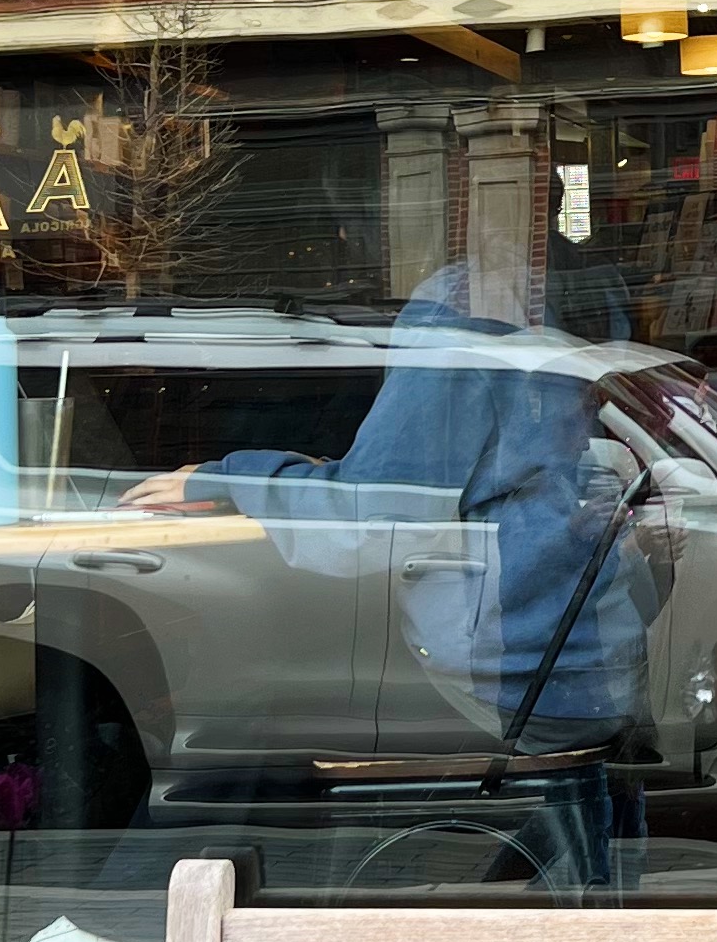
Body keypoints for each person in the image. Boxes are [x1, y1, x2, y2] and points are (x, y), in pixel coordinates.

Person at [124, 252, 658, 904]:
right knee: (586, 853)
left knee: (255, 758)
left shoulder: (458, 322)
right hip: (590, 661)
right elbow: (420, 485)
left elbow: (372, 515)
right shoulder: (567, 320)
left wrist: (228, 478)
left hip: (521, 665)